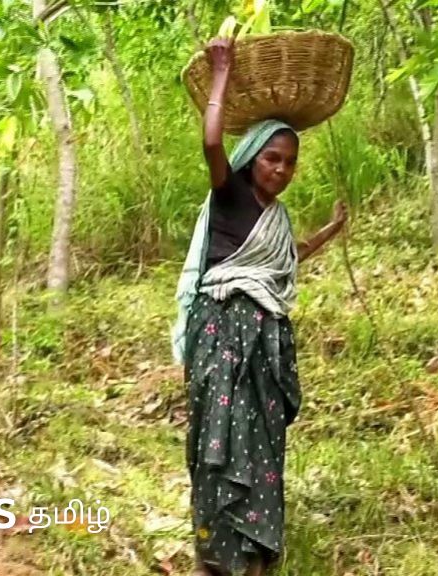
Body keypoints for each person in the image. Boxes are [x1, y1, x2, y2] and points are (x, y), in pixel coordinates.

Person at [171, 35, 349, 576]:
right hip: (222, 336)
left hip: (265, 344)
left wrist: (331, 230)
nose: (281, 169)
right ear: (253, 158)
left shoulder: (276, 218)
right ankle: (215, 556)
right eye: (273, 157)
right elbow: (209, 143)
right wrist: (221, 70)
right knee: (220, 443)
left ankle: (254, 557)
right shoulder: (231, 195)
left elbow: (286, 259)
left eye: (290, 162)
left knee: (262, 446)